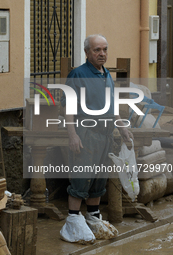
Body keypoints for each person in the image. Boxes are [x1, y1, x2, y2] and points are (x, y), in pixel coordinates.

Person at [59, 34, 134, 243]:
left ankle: (93, 216)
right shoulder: (78, 74)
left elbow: (112, 106)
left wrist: (123, 128)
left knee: (99, 178)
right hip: (86, 133)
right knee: (82, 177)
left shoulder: (106, 74)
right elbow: (68, 106)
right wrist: (72, 135)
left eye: (105, 49)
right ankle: (72, 221)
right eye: (97, 50)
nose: (102, 54)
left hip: (106, 134)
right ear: (87, 53)